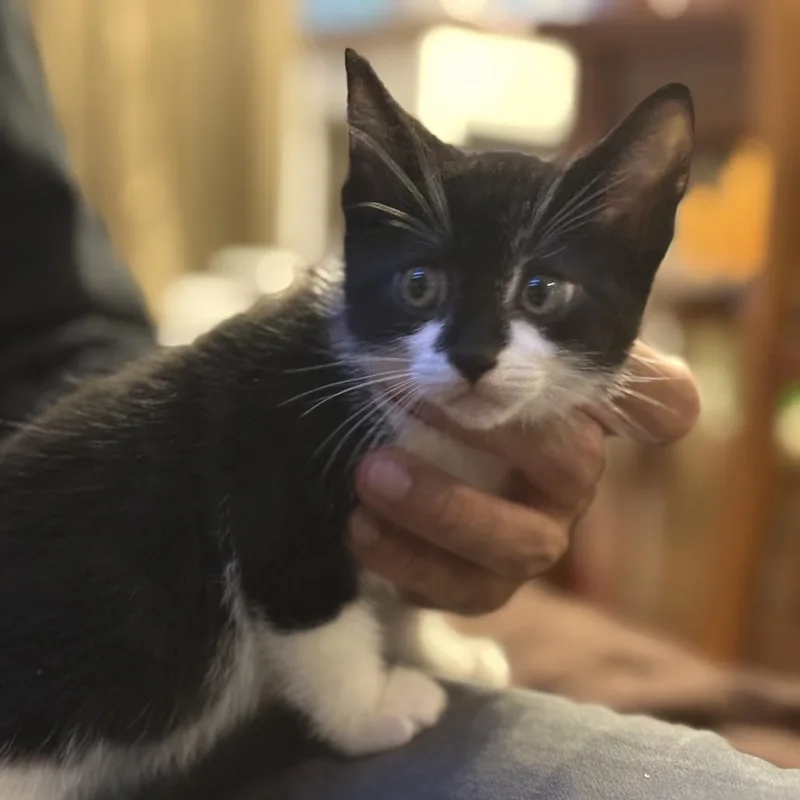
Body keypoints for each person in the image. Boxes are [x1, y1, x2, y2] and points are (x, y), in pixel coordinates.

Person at [1, 1, 798, 798]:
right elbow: (289, 568)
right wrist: (359, 704)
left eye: (541, 294)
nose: (476, 354)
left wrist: (416, 622)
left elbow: (62, 338)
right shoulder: (304, 377)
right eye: (421, 288)